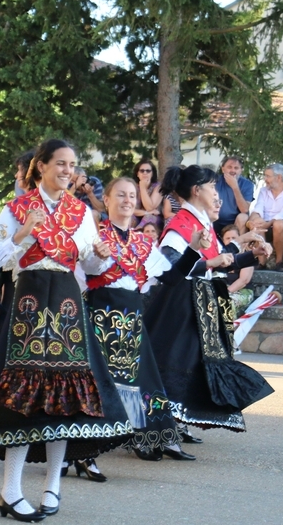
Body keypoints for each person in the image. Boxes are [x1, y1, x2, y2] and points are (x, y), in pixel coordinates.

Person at [0, 139, 132, 521]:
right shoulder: (17, 209)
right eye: (61, 164)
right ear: (40, 167)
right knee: (23, 398)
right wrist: (21, 235)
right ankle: (11, 489)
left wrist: (100, 257)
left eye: (73, 164)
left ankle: (53, 485)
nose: (68, 170)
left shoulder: (81, 213)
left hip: (67, 306)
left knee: (65, 398)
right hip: (29, 306)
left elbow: (92, 267)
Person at [145, 165, 274, 437]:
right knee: (173, 366)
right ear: (196, 190)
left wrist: (252, 255)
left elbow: (218, 264)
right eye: (213, 188)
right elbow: (171, 267)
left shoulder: (200, 223)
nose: (217, 194)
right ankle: (157, 429)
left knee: (189, 365)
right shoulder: (180, 225)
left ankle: (173, 425)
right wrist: (216, 259)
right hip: (180, 306)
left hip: (200, 304)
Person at [85, 177, 204, 465]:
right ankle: (84, 449)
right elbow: (85, 272)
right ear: (108, 200)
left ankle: (149, 438)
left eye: (131, 196)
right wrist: (95, 256)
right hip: (101, 317)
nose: (127, 200)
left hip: (132, 316)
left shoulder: (142, 242)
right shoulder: (94, 236)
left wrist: (193, 249)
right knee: (99, 382)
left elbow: (173, 278)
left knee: (144, 381)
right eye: (121, 195)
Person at [246, 163, 283, 272]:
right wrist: (255, 220)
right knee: (258, 221)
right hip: (266, 225)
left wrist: (267, 223)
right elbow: (258, 208)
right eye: (265, 176)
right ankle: (261, 262)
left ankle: (279, 262)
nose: (265, 179)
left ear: (279, 177)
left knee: (278, 224)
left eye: (268, 176)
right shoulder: (263, 190)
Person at [221, 225, 256, 317]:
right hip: (222, 290)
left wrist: (225, 293)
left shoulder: (246, 255)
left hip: (242, 291)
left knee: (226, 304)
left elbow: (244, 280)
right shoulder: (219, 256)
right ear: (223, 241)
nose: (230, 240)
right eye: (227, 238)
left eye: (234, 238)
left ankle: (229, 330)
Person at [213, 156, 254, 236]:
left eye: (236, 168)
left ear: (241, 170)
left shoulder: (247, 184)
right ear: (223, 169)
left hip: (235, 223)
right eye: (229, 167)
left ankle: (237, 247)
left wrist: (235, 187)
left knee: (243, 217)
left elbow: (244, 210)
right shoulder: (215, 181)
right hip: (215, 220)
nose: (232, 170)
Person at [132, 159, 163, 230]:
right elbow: (130, 210)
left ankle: (137, 237)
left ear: (152, 173)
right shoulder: (132, 187)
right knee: (129, 217)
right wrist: (146, 212)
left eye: (148, 171)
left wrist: (142, 187)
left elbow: (149, 207)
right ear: (137, 174)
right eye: (142, 171)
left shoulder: (158, 187)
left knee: (149, 217)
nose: (145, 173)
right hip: (138, 216)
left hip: (154, 218)